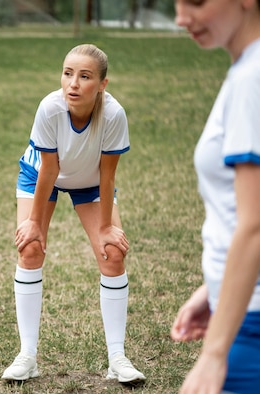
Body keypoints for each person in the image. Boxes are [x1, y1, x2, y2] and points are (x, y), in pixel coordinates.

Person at [1, 44, 146, 385]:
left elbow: (108, 175)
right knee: (30, 249)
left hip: (90, 182)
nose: (73, 84)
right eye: (68, 74)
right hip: (40, 177)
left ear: (102, 84)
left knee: (112, 254)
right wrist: (34, 223)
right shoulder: (50, 108)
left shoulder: (113, 114)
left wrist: (107, 228)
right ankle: (27, 356)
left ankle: (117, 358)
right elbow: (48, 170)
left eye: (85, 76)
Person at [170, 1, 260, 393]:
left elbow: (255, 226)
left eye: (196, 2)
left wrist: (214, 353)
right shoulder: (246, 69)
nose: (181, 18)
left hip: (250, 326)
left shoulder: (251, 79)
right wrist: (214, 287)